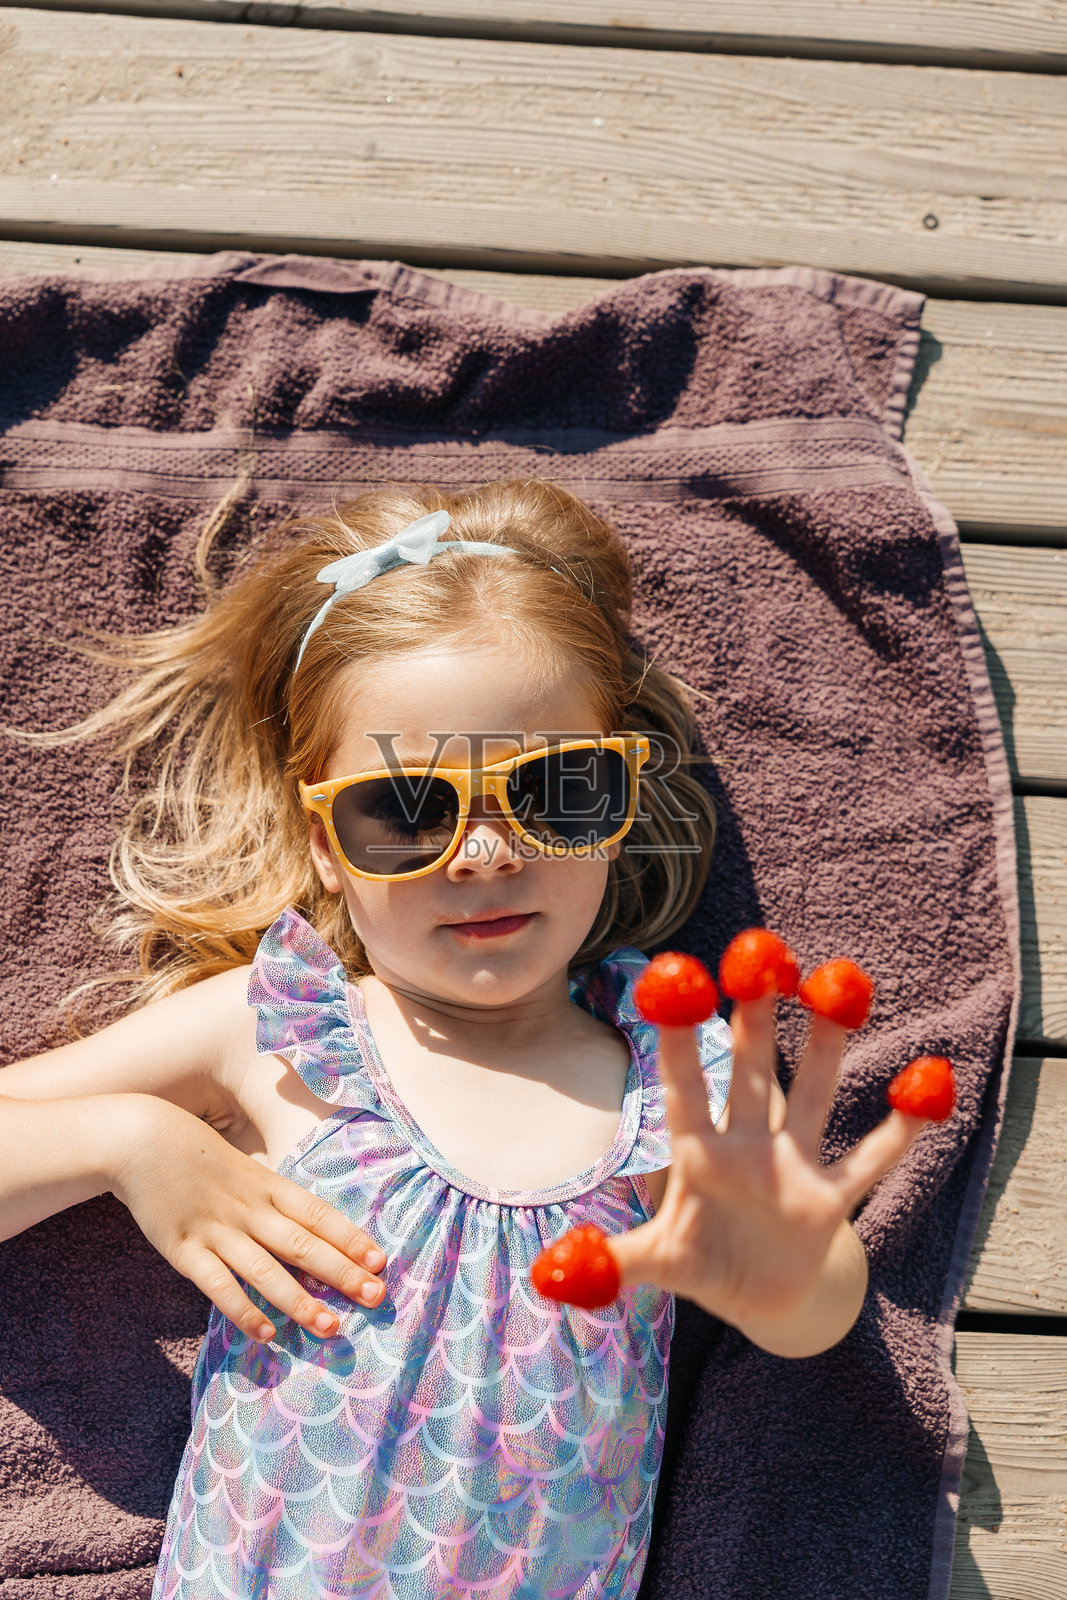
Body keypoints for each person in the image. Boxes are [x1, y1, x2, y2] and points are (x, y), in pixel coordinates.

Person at [0, 480, 927, 1598]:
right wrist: (128, 1140)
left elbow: (814, 1316)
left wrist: (776, 1256)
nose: (484, 853)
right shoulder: (281, 1026)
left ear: (624, 798)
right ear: (326, 842)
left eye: (554, 790)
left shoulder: (678, 1069)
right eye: (406, 808)